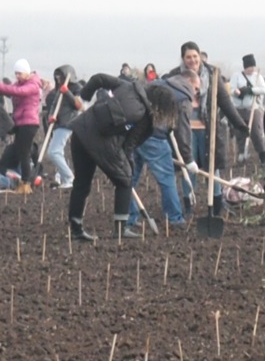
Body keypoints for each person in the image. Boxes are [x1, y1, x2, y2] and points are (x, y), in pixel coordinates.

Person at [67, 73, 181, 241]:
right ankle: (121, 229)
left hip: (80, 130)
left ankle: (76, 229)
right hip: (102, 142)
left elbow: (99, 79)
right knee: (125, 181)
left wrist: (84, 97)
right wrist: (128, 167)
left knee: (81, 183)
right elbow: (129, 146)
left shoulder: (127, 86)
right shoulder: (147, 118)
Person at [166, 41, 250, 216]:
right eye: (188, 57)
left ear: (200, 56)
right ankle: (189, 205)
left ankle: (216, 205)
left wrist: (239, 124)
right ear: (183, 58)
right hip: (185, 130)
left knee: (212, 167)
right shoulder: (174, 76)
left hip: (208, 129)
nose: (192, 60)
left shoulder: (212, 74)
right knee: (188, 166)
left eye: (195, 56)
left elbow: (225, 101)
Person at [127, 70, 199, 229]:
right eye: (196, 88)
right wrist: (188, 159)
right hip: (154, 136)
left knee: (128, 177)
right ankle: (175, 218)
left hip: (133, 132)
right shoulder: (183, 97)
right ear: (189, 81)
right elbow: (183, 130)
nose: (196, 93)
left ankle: (128, 217)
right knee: (167, 177)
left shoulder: (159, 83)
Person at [0, 59, 44, 191]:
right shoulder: (19, 84)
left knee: (24, 153)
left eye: (20, 73)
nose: (17, 76)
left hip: (29, 123)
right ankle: (24, 178)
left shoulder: (33, 85)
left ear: (26, 72)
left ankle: (26, 183)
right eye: (16, 73)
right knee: (19, 151)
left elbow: (19, 92)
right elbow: (11, 91)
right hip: (20, 122)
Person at [43, 65, 84, 189]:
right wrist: (51, 116)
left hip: (67, 123)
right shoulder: (58, 90)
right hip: (57, 124)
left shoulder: (77, 88)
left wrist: (67, 92)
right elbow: (54, 105)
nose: (58, 79)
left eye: (61, 77)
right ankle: (63, 178)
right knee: (58, 152)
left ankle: (69, 177)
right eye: (57, 77)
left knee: (53, 152)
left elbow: (79, 106)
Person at [230, 54, 265, 164]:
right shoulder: (236, 76)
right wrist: (236, 92)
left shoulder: (258, 77)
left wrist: (251, 90)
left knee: (256, 132)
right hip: (239, 109)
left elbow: (263, 90)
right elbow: (231, 89)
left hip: (253, 109)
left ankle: (263, 155)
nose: (251, 69)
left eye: (253, 67)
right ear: (245, 67)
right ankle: (242, 154)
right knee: (240, 132)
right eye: (249, 67)